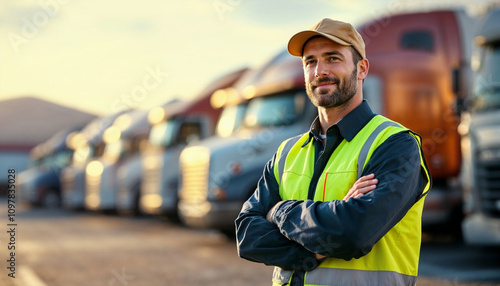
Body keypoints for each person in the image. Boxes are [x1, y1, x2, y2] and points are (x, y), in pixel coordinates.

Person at [235, 18, 431, 286]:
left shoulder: (394, 144)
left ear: (362, 69)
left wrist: (280, 211)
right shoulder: (287, 152)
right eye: (310, 62)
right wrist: (313, 249)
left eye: (333, 58)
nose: (319, 71)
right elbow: (246, 235)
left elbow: (353, 234)